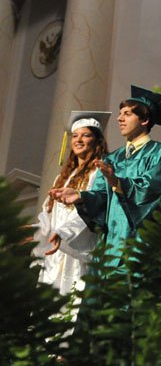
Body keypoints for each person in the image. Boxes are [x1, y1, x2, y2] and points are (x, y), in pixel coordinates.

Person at [51, 86, 161, 275]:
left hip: (140, 245)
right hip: (109, 247)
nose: (119, 118)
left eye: (127, 114)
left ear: (145, 120)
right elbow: (101, 199)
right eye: (119, 114)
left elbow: (151, 192)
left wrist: (117, 181)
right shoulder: (112, 159)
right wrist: (80, 196)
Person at [35, 111, 110, 299]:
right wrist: (35, 231)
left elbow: (91, 210)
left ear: (97, 140)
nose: (78, 140)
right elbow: (49, 214)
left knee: (72, 298)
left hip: (78, 249)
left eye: (86, 135)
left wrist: (64, 232)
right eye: (75, 135)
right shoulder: (62, 177)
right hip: (55, 251)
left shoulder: (98, 174)